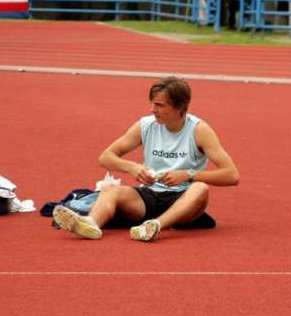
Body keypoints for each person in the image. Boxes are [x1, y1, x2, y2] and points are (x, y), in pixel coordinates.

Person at [53, 77, 240, 242]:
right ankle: (90, 224)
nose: (152, 110)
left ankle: (154, 226)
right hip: (148, 196)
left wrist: (188, 175)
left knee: (201, 189)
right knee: (110, 189)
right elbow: (105, 157)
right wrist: (132, 167)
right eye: (152, 104)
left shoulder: (199, 130)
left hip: (183, 199)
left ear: (179, 107)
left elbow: (231, 175)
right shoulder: (145, 125)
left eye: (159, 105)